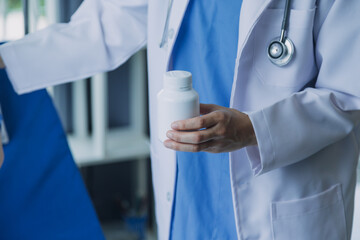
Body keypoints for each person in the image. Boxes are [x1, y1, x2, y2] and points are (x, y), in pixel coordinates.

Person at [0, 0, 359, 239]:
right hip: (189, 192)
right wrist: (8, 59)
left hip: (282, 198)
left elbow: (349, 95)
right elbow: (108, 23)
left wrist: (252, 131)